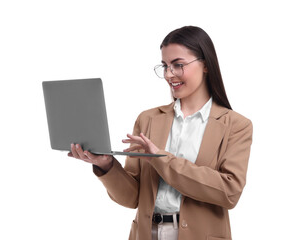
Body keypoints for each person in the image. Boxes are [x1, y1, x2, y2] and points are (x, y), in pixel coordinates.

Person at [68, 26, 253, 240]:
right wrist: (107, 166)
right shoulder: (148, 119)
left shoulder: (236, 125)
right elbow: (132, 198)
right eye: (165, 66)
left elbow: (229, 193)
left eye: (178, 65)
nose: (168, 74)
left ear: (206, 65)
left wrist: (161, 159)